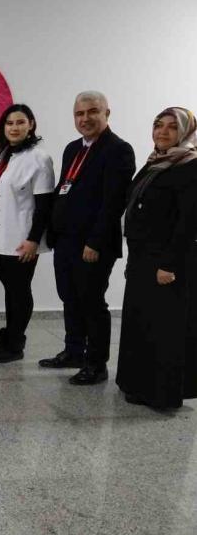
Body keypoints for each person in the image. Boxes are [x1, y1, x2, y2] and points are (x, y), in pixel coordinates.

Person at [41, 92, 135, 384]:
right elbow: (64, 189)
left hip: (93, 244)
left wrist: (95, 242)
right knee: (69, 297)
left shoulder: (118, 150)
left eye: (92, 111)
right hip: (66, 240)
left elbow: (113, 203)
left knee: (91, 302)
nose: (85, 118)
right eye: (79, 114)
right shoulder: (73, 148)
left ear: (107, 113)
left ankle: (96, 364)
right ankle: (73, 351)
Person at [116, 107, 197, 409]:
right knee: (141, 322)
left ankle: (161, 394)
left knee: (164, 328)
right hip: (143, 258)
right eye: (158, 125)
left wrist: (168, 265)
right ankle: (137, 384)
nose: (162, 132)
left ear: (186, 132)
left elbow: (188, 222)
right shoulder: (154, 163)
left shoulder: (190, 167)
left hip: (167, 261)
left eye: (172, 127)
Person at [0, 104, 55, 363]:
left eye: (20, 122)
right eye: (9, 123)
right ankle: (8, 335)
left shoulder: (39, 158)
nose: (14, 127)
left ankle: (15, 344)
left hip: (21, 240)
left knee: (19, 291)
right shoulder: (2, 155)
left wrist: (33, 240)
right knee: (11, 290)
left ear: (31, 125)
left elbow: (44, 205)